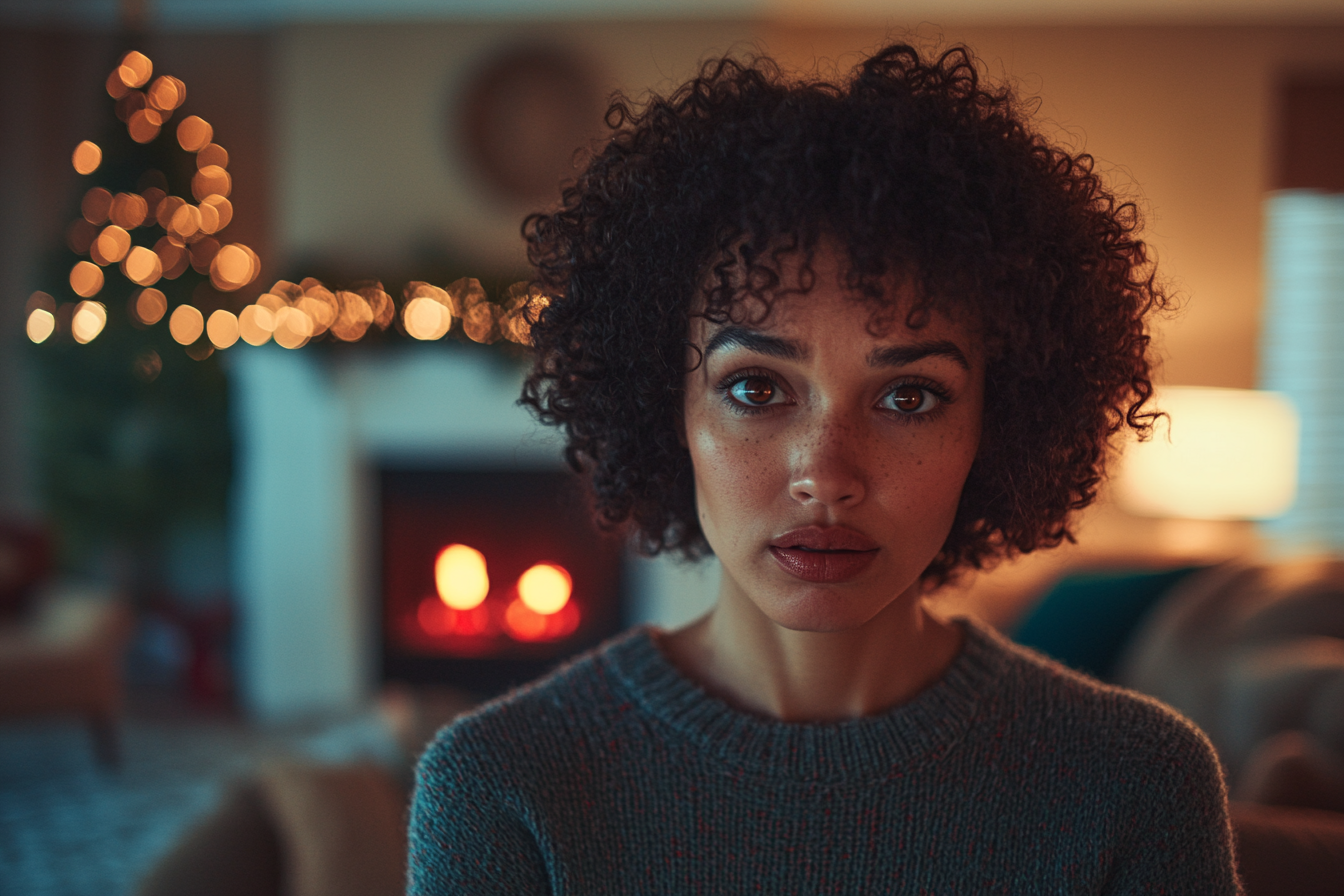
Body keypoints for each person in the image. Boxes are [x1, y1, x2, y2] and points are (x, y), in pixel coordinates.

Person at [408, 42, 1240, 893]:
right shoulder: (500, 785)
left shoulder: (1137, 786)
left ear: (1001, 420)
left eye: (909, 397)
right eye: (757, 386)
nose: (825, 474)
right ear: (668, 407)